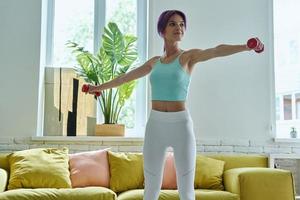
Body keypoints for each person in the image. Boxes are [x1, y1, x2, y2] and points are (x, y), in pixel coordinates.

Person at [84, 9, 264, 200]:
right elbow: (126, 78)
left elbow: (216, 50)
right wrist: (98, 87)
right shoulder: (155, 62)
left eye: (181, 24)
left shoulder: (187, 57)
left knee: (186, 189)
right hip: (155, 126)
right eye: (172, 23)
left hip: (181, 126)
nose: (178, 27)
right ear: (162, 30)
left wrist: (246, 46)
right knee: (151, 187)